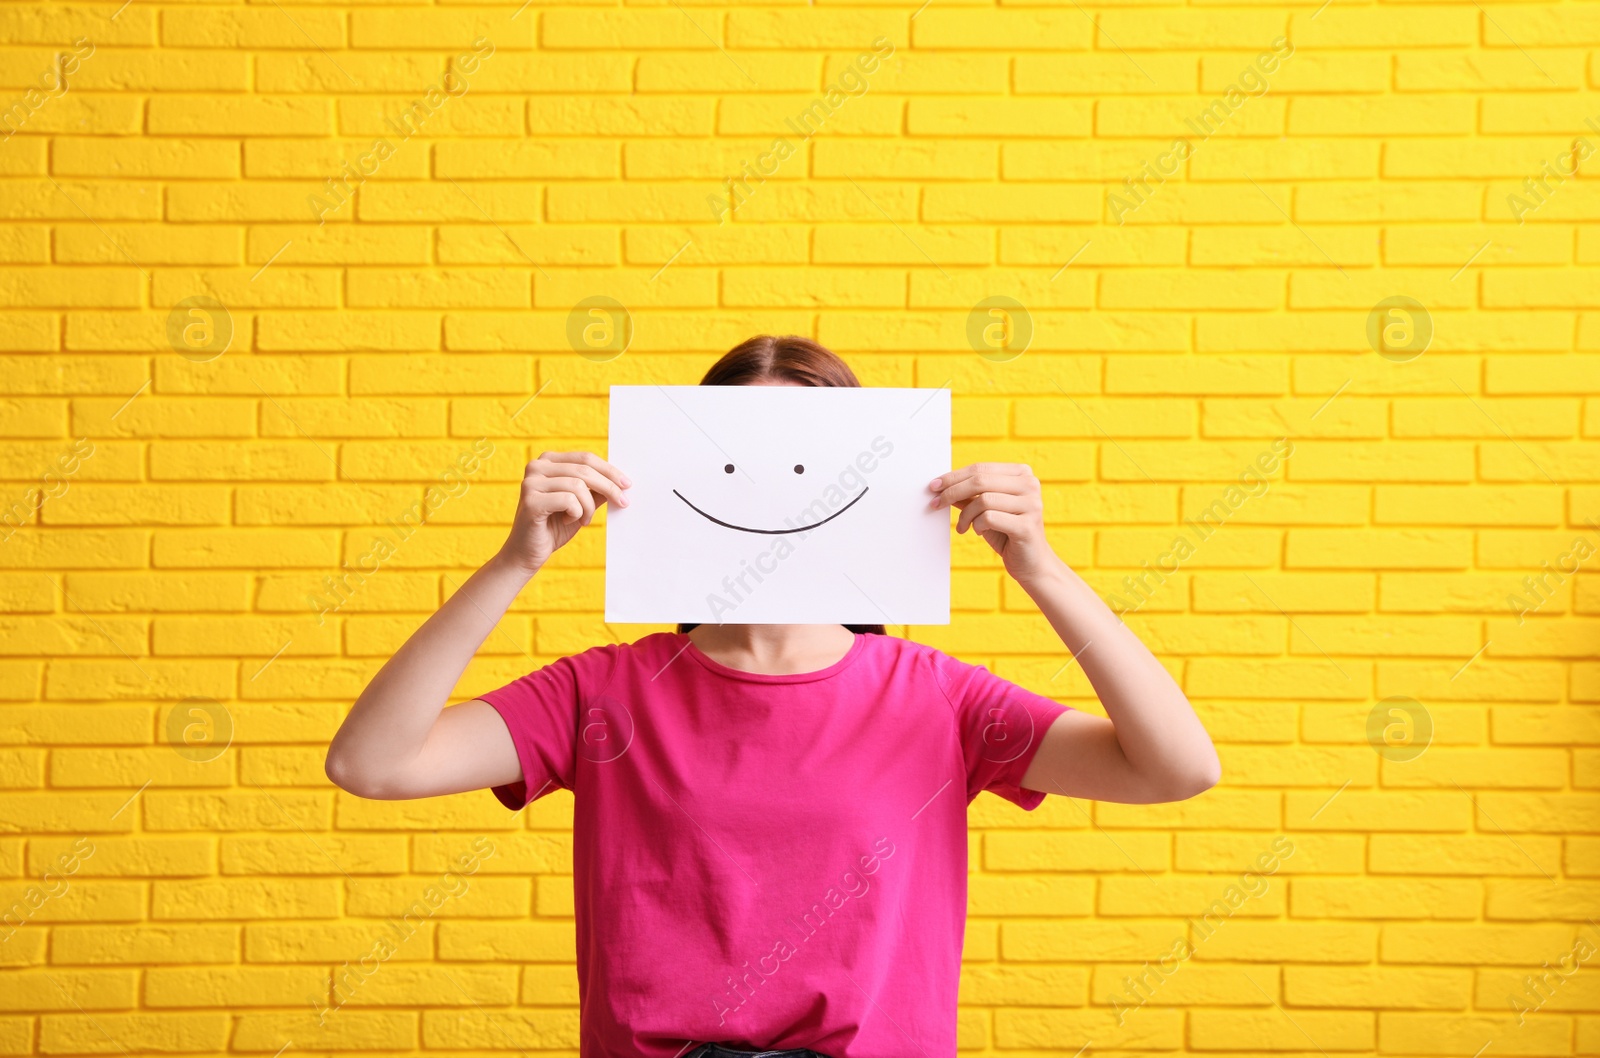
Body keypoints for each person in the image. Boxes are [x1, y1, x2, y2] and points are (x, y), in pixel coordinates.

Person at [325, 335, 1221, 1058]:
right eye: (734, 459)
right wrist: (515, 560)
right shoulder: (604, 691)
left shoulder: (934, 697)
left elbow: (1176, 768)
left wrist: (1042, 567)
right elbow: (372, 763)